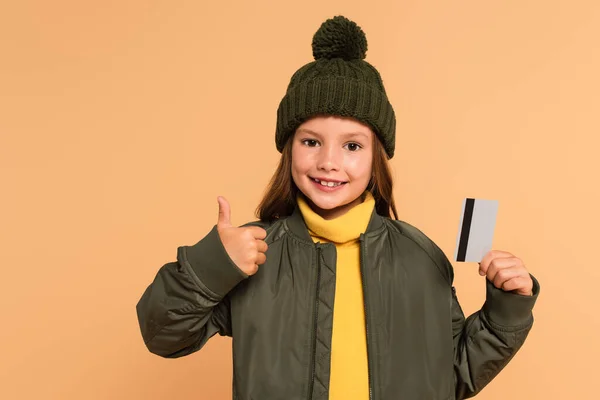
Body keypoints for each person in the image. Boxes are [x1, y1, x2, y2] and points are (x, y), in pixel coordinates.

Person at [136, 15, 540, 400]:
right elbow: (164, 336)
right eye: (311, 141)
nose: (329, 161)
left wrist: (506, 310)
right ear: (289, 149)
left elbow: (451, 376)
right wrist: (211, 266)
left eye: (352, 146)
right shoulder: (254, 253)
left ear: (376, 157)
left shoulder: (420, 258)